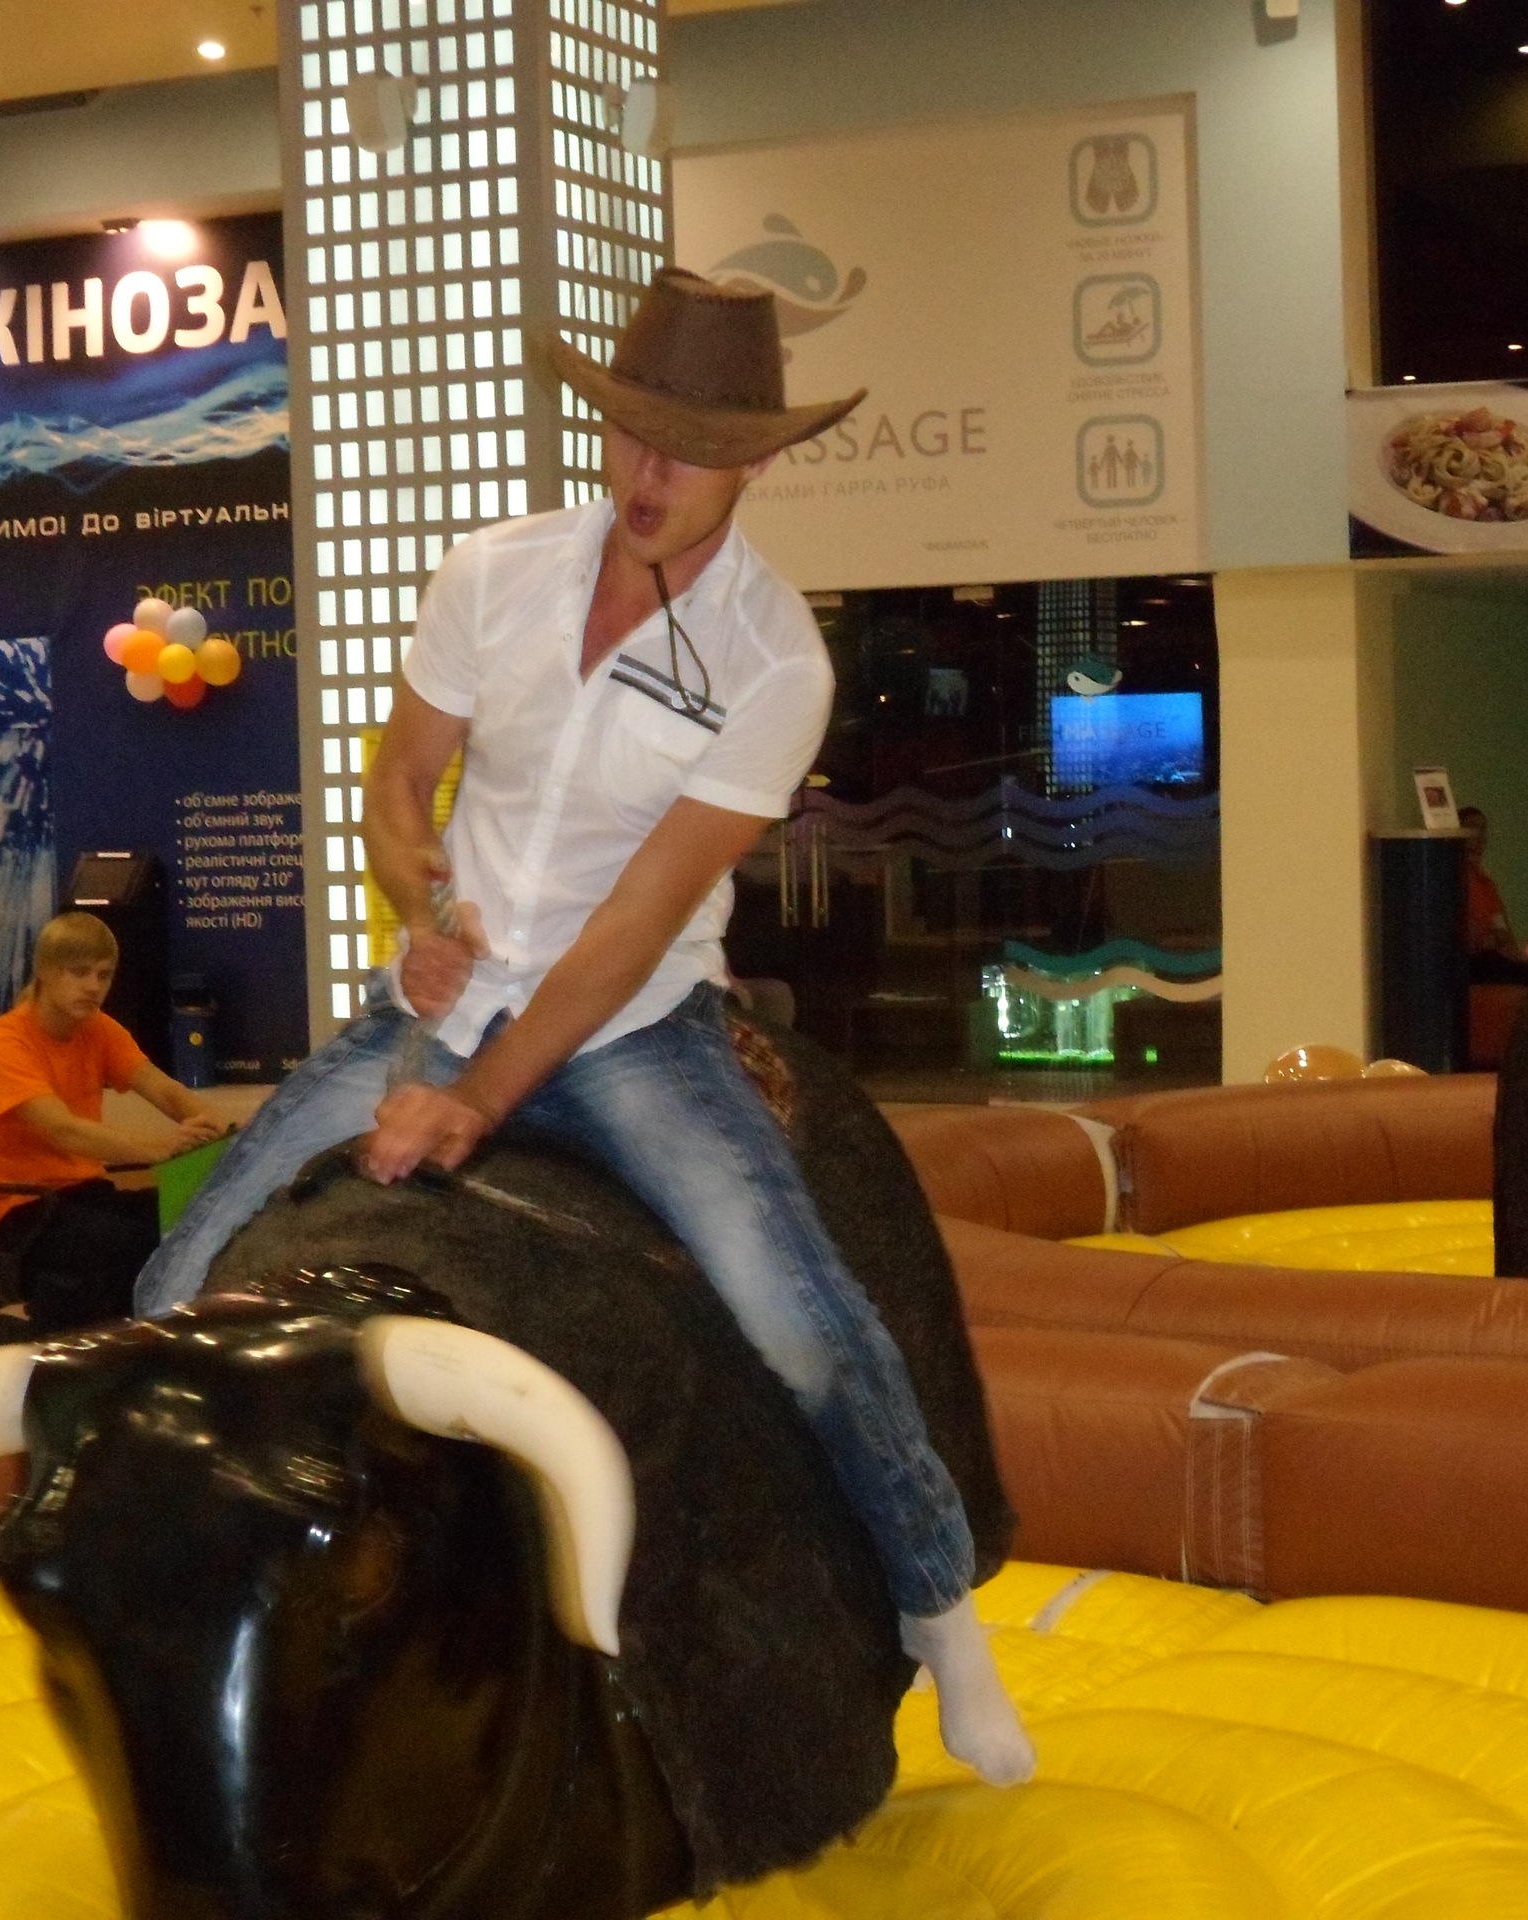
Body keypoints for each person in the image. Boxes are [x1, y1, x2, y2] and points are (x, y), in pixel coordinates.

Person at [134, 268, 1036, 1786]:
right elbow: (399, 774)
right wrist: (416, 895)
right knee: (178, 1273)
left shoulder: (776, 662)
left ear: (756, 464)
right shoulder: (493, 572)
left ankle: (938, 1609)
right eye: (631, 435)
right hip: (449, 991)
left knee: (802, 1320)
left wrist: (473, 1101)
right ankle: (184, 1606)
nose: (647, 474)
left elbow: (634, 922)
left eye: (689, 451)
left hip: (639, 1028)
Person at [0, 911, 227, 1337]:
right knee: (130, 1242)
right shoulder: (1, 1043)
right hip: (16, 1210)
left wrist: (224, 1133)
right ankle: (59, 1334)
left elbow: (164, 1090)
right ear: (45, 972)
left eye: (104, 975)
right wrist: (159, 1149)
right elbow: (63, 1129)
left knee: (188, 1219)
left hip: (80, 1194)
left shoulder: (99, 1029)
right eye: (79, 972)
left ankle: (98, 1334)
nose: (94, 987)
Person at [1461, 805, 1528, 984]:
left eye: (1483, 829)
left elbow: (1502, 931)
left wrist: (1515, 956)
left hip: (1493, 958)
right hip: (1472, 963)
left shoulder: (1487, 885)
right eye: (1472, 827)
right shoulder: (1455, 881)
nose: (1479, 835)